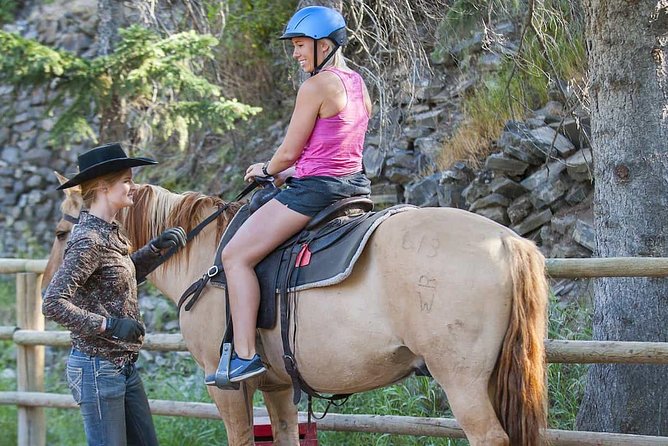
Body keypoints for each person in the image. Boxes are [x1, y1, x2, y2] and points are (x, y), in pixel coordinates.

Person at [208, 5, 373, 385]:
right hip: (353, 185)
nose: (296, 53)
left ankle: (245, 355)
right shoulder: (357, 83)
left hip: (314, 192)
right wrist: (284, 171)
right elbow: (334, 150)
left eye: (300, 45)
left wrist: (269, 169)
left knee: (235, 256)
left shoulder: (315, 86)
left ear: (325, 45)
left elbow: (289, 152)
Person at [43, 142, 187, 446]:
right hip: (96, 367)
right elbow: (53, 303)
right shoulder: (88, 240)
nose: (133, 187)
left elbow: (114, 279)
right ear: (104, 187)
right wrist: (108, 325)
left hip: (122, 365)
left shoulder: (110, 230)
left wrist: (154, 251)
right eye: (126, 180)